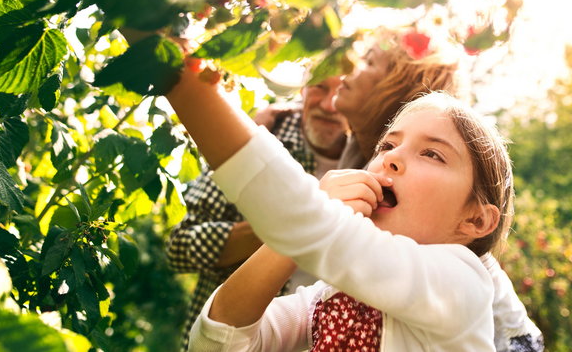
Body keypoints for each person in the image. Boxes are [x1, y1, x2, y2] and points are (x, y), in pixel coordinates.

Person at [166, 47, 517, 349]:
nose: (389, 159)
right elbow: (218, 340)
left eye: (432, 154)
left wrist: (181, 83)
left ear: (475, 220)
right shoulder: (330, 294)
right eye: (388, 146)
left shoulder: (460, 280)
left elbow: (322, 233)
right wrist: (290, 240)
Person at [331, 32, 544, 351]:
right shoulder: (356, 156)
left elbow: (318, 236)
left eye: (369, 61)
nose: (347, 66)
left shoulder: (450, 248)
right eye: (387, 146)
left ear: (398, 89)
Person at [166, 75, 347, 351]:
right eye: (320, 86)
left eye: (343, 89)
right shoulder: (259, 138)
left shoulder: (372, 160)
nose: (329, 104)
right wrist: (302, 219)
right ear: (303, 89)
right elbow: (180, 247)